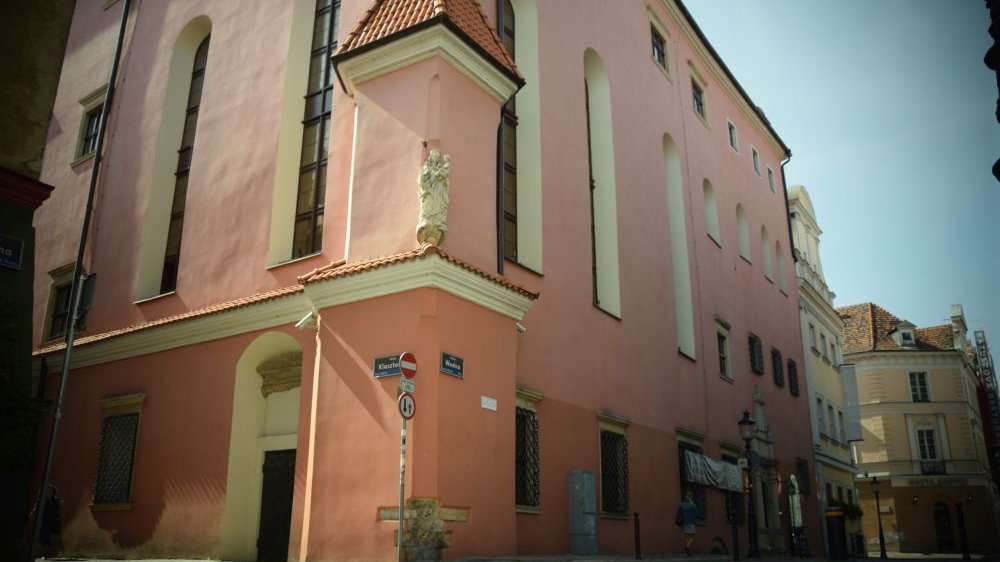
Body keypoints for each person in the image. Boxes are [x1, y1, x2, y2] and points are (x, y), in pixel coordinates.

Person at [677, 490, 698, 556]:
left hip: (684, 522)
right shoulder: (693, 505)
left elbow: (679, 512)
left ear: (686, 496)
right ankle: (687, 547)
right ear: (691, 497)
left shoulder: (682, 504)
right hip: (691, 522)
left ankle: (688, 552)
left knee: (687, 537)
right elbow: (696, 514)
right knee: (691, 537)